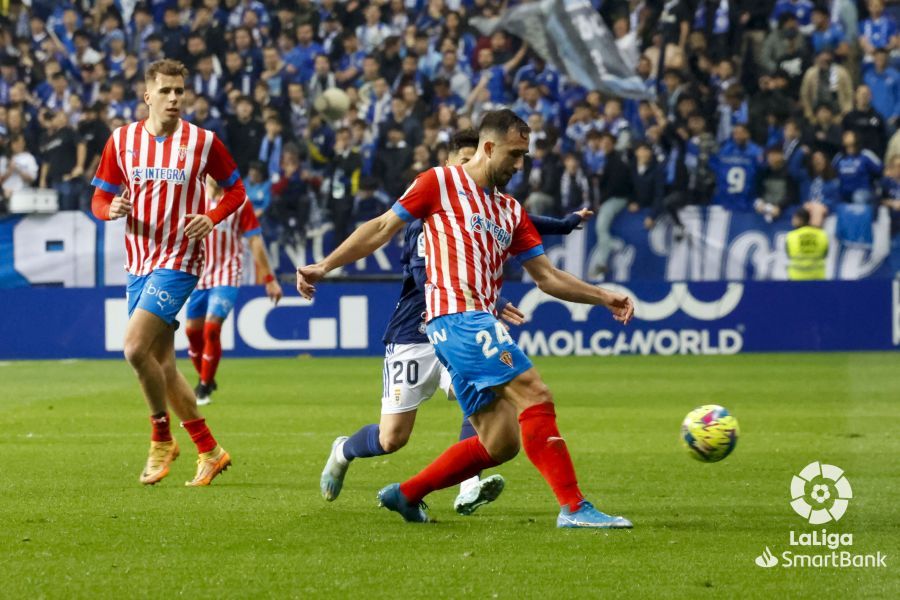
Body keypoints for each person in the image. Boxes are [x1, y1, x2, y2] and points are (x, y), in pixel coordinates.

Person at [300, 110, 635, 528]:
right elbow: (383, 227)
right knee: (535, 394)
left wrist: (603, 297)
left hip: (469, 321)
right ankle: (574, 508)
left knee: (501, 441)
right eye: (514, 154)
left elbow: (548, 277)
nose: (520, 164)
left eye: (525, 156)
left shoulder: (510, 211)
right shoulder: (438, 182)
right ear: (488, 147)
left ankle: (406, 495)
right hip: (455, 318)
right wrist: (324, 265)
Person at [89, 59, 246, 486]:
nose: (174, 98)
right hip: (138, 261)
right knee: (163, 363)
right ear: (148, 97)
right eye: (166, 91)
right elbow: (100, 199)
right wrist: (112, 209)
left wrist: (212, 217)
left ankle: (161, 437)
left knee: (134, 348)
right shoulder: (121, 141)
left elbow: (236, 189)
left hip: (180, 260)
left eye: (180, 91)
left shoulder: (203, 141)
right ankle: (210, 449)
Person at [186, 176, 283, 405]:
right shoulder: (192, 197)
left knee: (211, 327)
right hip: (198, 274)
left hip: (227, 273)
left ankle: (203, 388)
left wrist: (269, 278)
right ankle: (206, 376)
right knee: (192, 332)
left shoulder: (239, 201)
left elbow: (255, 241)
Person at [785, 207, 829, 280]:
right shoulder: (821, 234)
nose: (792, 221)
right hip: (817, 278)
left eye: (794, 218)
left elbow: (788, 255)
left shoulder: (791, 236)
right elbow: (825, 254)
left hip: (796, 278)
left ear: (800, 219)